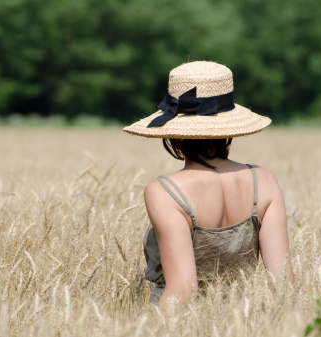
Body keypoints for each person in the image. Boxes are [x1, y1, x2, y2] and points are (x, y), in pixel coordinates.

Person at [123, 61, 294, 309]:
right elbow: (282, 284)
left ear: (174, 134)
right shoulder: (264, 180)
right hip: (243, 325)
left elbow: (182, 292)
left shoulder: (164, 191)